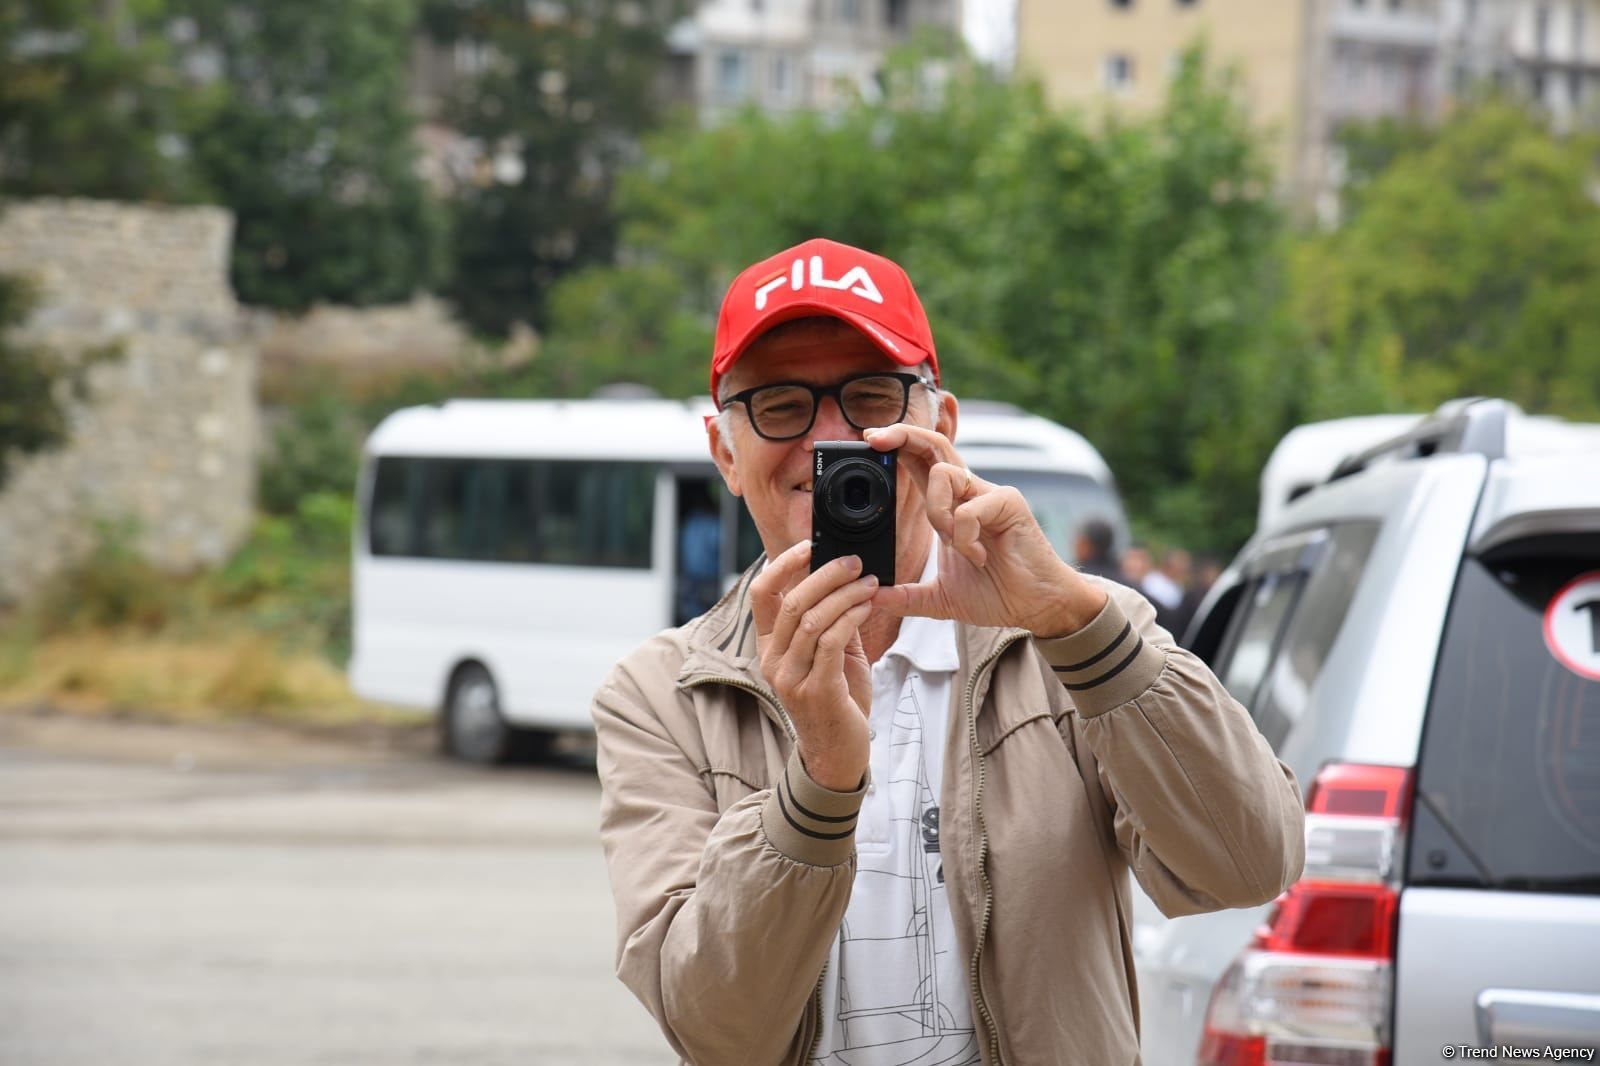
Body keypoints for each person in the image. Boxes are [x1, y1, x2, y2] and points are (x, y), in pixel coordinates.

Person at [592, 238, 1304, 1066]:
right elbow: (714, 1025)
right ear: (725, 452)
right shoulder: (663, 694)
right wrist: (818, 783)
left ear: (942, 423)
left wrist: (1074, 621)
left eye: (869, 397)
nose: (832, 441)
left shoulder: (1067, 638)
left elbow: (1249, 862)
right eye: (781, 405)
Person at [1071, 516, 1128, 586]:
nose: (1075, 545)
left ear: (1087, 545)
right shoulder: (1124, 576)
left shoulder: (1079, 580)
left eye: (1079, 541)